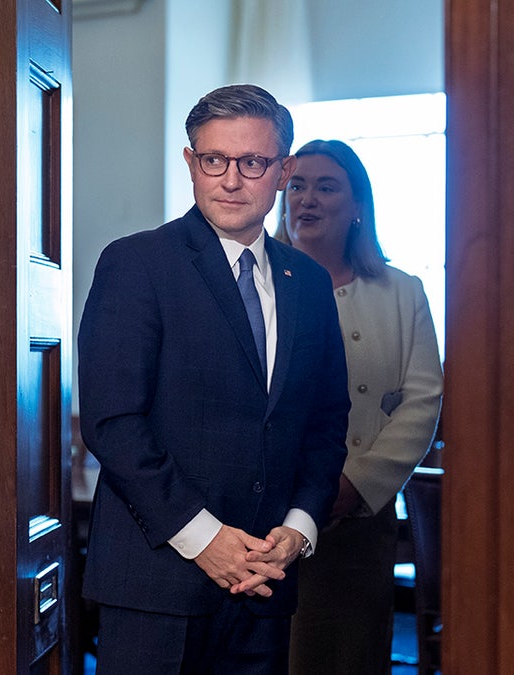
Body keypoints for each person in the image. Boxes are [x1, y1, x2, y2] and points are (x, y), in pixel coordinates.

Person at [77, 85, 352, 674]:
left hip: (265, 583)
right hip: (156, 586)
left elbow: (327, 423)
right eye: (213, 160)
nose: (230, 180)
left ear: (283, 171)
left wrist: (299, 528)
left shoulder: (308, 282)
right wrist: (205, 538)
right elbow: (112, 423)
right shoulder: (136, 263)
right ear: (190, 162)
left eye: (252, 162)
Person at [278, 139, 444, 675]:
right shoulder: (258, 282)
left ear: (358, 207)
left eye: (326, 187)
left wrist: (355, 485)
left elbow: (423, 400)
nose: (308, 198)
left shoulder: (402, 292)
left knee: (349, 657)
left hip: (359, 518)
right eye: (297, 185)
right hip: (266, 517)